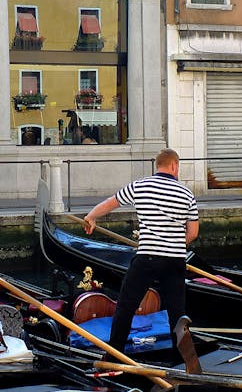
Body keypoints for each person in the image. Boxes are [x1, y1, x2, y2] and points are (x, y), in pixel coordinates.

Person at [82, 148, 198, 363]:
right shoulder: (186, 193)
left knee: (126, 306)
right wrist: (173, 243)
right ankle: (181, 358)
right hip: (175, 259)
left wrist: (90, 217)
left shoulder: (141, 186)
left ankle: (115, 354)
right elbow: (192, 232)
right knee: (176, 311)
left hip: (147, 258)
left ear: (159, 165)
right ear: (174, 166)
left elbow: (111, 203)